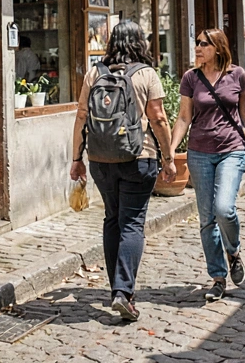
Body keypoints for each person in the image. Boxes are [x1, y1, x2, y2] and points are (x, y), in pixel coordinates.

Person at [69, 20, 176, 322]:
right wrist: (168, 158)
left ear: (112, 42)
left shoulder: (94, 72)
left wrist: (76, 157)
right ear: (140, 42)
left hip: (101, 160)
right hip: (138, 158)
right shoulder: (146, 74)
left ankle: (115, 288)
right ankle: (123, 292)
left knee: (112, 218)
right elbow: (159, 119)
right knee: (132, 223)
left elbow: (80, 117)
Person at [171, 28, 245, 302]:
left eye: (204, 44)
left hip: (231, 150)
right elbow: (183, 117)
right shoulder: (191, 78)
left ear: (219, 48)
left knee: (224, 208)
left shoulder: (237, 75)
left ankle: (233, 251)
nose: (198, 48)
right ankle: (218, 277)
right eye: (196, 43)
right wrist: (171, 149)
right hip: (199, 152)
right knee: (206, 218)